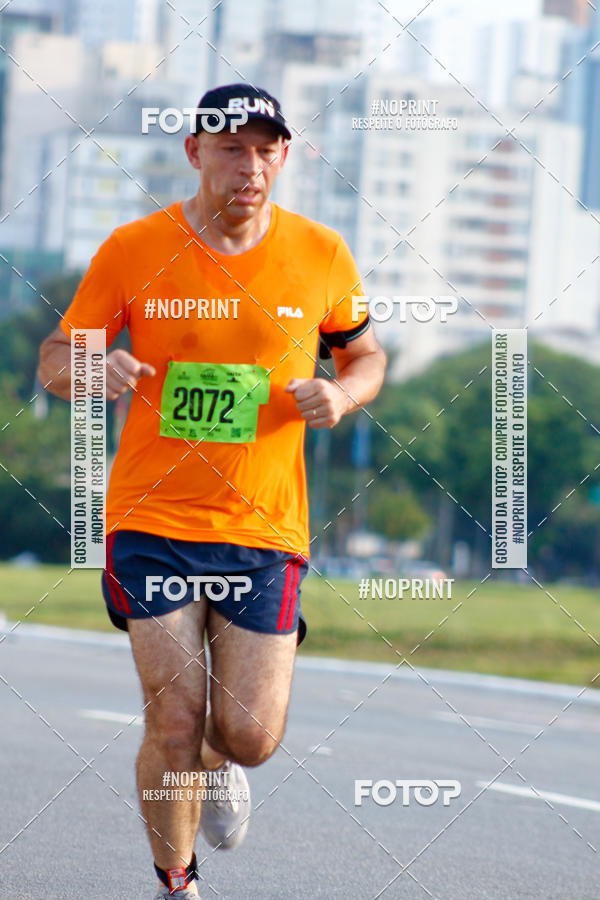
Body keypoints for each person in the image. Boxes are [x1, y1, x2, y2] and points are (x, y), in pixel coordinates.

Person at [38, 83, 386, 898]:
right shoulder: (134, 248)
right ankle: (177, 882)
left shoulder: (322, 252)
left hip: (264, 529)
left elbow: (365, 356)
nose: (250, 166)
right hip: (151, 519)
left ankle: (218, 762)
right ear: (194, 152)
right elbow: (55, 359)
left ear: (284, 157)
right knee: (172, 718)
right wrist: (94, 367)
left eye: (265, 150)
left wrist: (342, 394)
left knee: (250, 734)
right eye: (232, 148)